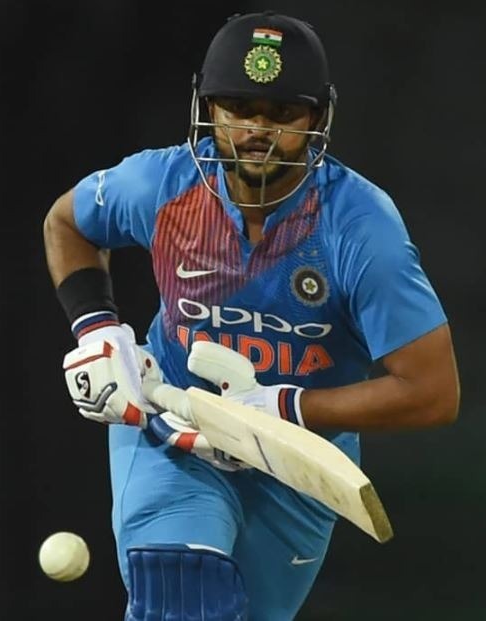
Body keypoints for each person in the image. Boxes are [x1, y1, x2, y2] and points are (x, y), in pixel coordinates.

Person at [43, 11, 459, 621]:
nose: (257, 131)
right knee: (183, 594)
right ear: (208, 108)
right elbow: (67, 222)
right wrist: (96, 328)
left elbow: (433, 392)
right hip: (171, 433)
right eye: (238, 109)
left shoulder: (360, 227)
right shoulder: (161, 184)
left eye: (282, 113)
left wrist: (286, 408)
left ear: (317, 118)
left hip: (294, 459)